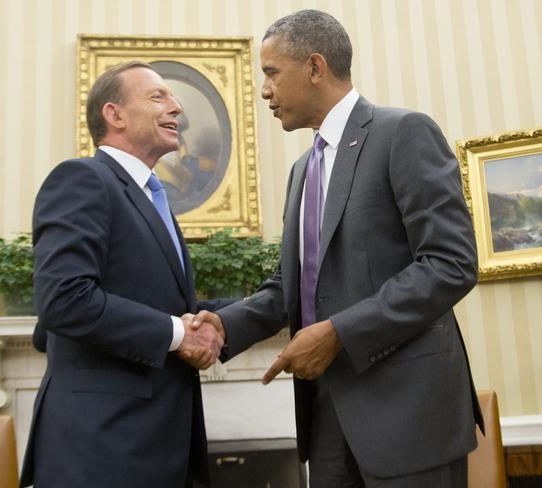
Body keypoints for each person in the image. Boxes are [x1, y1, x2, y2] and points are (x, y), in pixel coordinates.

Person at [194, 9, 484, 487]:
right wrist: (225, 326)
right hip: (326, 419)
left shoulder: (404, 133)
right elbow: (296, 285)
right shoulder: (301, 171)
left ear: (314, 67)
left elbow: (449, 265)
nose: (263, 90)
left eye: (270, 73)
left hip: (410, 418)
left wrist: (339, 333)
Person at [19, 61, 231, 488]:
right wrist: (178, 334)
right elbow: (65, 300)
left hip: (156, 449)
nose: (177, 109)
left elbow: (165, 306)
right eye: (159, 97)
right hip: (101, 452)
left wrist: (246, 312)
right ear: (114, 115)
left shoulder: (152, 196)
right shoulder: (82, 178)